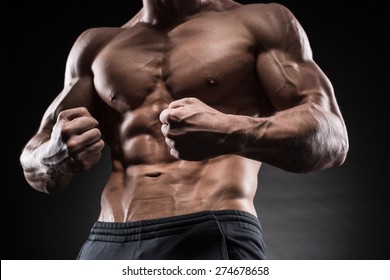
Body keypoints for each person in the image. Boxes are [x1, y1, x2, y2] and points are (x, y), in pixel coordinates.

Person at [19, 0, 349, 260]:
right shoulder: (96, 46)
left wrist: (230, 130)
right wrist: (52, 157)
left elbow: (332, 138)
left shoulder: (259, 24)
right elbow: (35, 160)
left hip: (210, 233)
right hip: (107, 239)